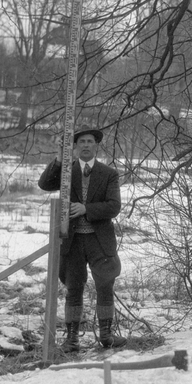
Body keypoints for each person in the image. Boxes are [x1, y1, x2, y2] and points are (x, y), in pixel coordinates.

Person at [38, 126, 125, 352]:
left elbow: (114, 206)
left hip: (100, 241)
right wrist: (60, 158)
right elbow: (44, 184)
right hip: (73, 241)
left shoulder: (108, 174)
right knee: (73, 288)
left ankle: (106, 335)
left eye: (90, 142)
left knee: (105, 285)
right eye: (82, 142)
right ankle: (72, 339)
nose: (86, 145)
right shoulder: (67, 172)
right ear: (75, 147)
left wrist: (86, 209)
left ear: (96, 146)